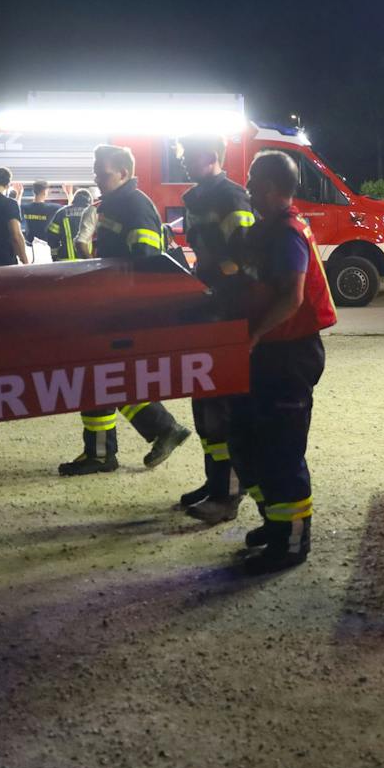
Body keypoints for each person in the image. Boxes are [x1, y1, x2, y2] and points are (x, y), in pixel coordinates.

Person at [227, 150, 337, 573]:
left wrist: (254, 334)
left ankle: (292, 543)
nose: (248, 184)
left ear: (270, 187)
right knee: (249, 441)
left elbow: (292, 299)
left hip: (289, 355)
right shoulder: (266, 229)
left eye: (253, 179)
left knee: (282, 452)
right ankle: (275, 524)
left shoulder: (287, 234)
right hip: (268, 354)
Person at [57, 144, 192, 476]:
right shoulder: (115, 205)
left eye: (102, 172)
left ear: (124, 173)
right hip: (110, 308)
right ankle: (108, 449)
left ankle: (150, 434)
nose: (96, 177)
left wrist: (126, 310)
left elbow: (145, 264)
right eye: (96, 171)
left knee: (104, 374)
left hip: (126, 311)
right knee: (99, 374)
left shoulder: (134, 205)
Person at [176, 136, 255, 523]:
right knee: (204, 402)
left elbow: (243, 259)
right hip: (208, 308)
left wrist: (218, 285)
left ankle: (227, 494)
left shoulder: (231, 197)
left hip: (227, 311)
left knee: (221, 406)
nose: (184, 161)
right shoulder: (197, 198)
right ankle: (214, 482)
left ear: (210, 157)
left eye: (189, 155)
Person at [42, 188, 93, 261]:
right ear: (90, 201)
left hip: (65, 261)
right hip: (86, 261)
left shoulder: (62, 212)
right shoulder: (92, 213)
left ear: (74, 199)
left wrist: (54, 255)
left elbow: (51, 236)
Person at [21, 181, 62, 250]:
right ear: (45, 192)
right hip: (46, 246)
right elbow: (68, 210)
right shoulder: (52, 208)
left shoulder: (25, 208)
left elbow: (15, 209)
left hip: (30, 245)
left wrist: (19, 194)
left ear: (33, 192)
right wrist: (69, 194)